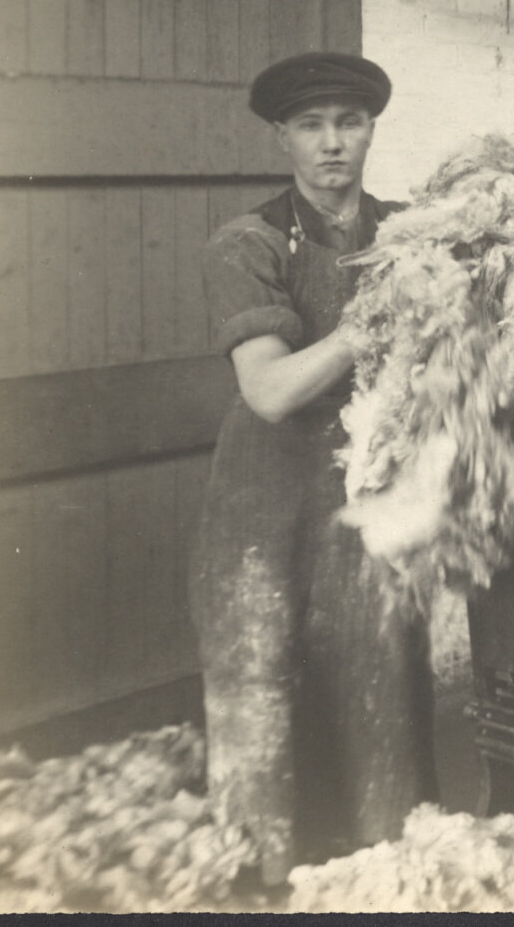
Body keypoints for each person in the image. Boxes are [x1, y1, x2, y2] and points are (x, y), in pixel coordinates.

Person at [195, 52, 435, 885]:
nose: (333, 142)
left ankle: (378, 876)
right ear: (282, 137)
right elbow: (268, 390)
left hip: (366, 494)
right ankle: (259, 881)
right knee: (260, 677)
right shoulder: (247, 243)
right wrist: (366, 328)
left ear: (370, 130)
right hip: (265, 500)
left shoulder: (408, 234)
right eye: (311, 125)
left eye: (350, 122)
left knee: (381, 679)